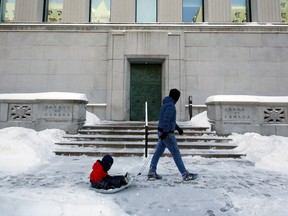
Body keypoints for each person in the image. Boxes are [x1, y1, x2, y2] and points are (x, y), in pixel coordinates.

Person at [148, 88, 198, 181]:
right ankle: (185, 174)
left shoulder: (165, 104)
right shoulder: (171, 106)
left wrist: (178, 128)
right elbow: (166, 120)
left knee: (157, 153)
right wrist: (165, 132)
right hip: (167, 134)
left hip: (162, 132)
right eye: (178, 96)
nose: (178, 98)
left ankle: (152, 172)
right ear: (175, 96)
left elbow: (170, 120)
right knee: (176, 154)